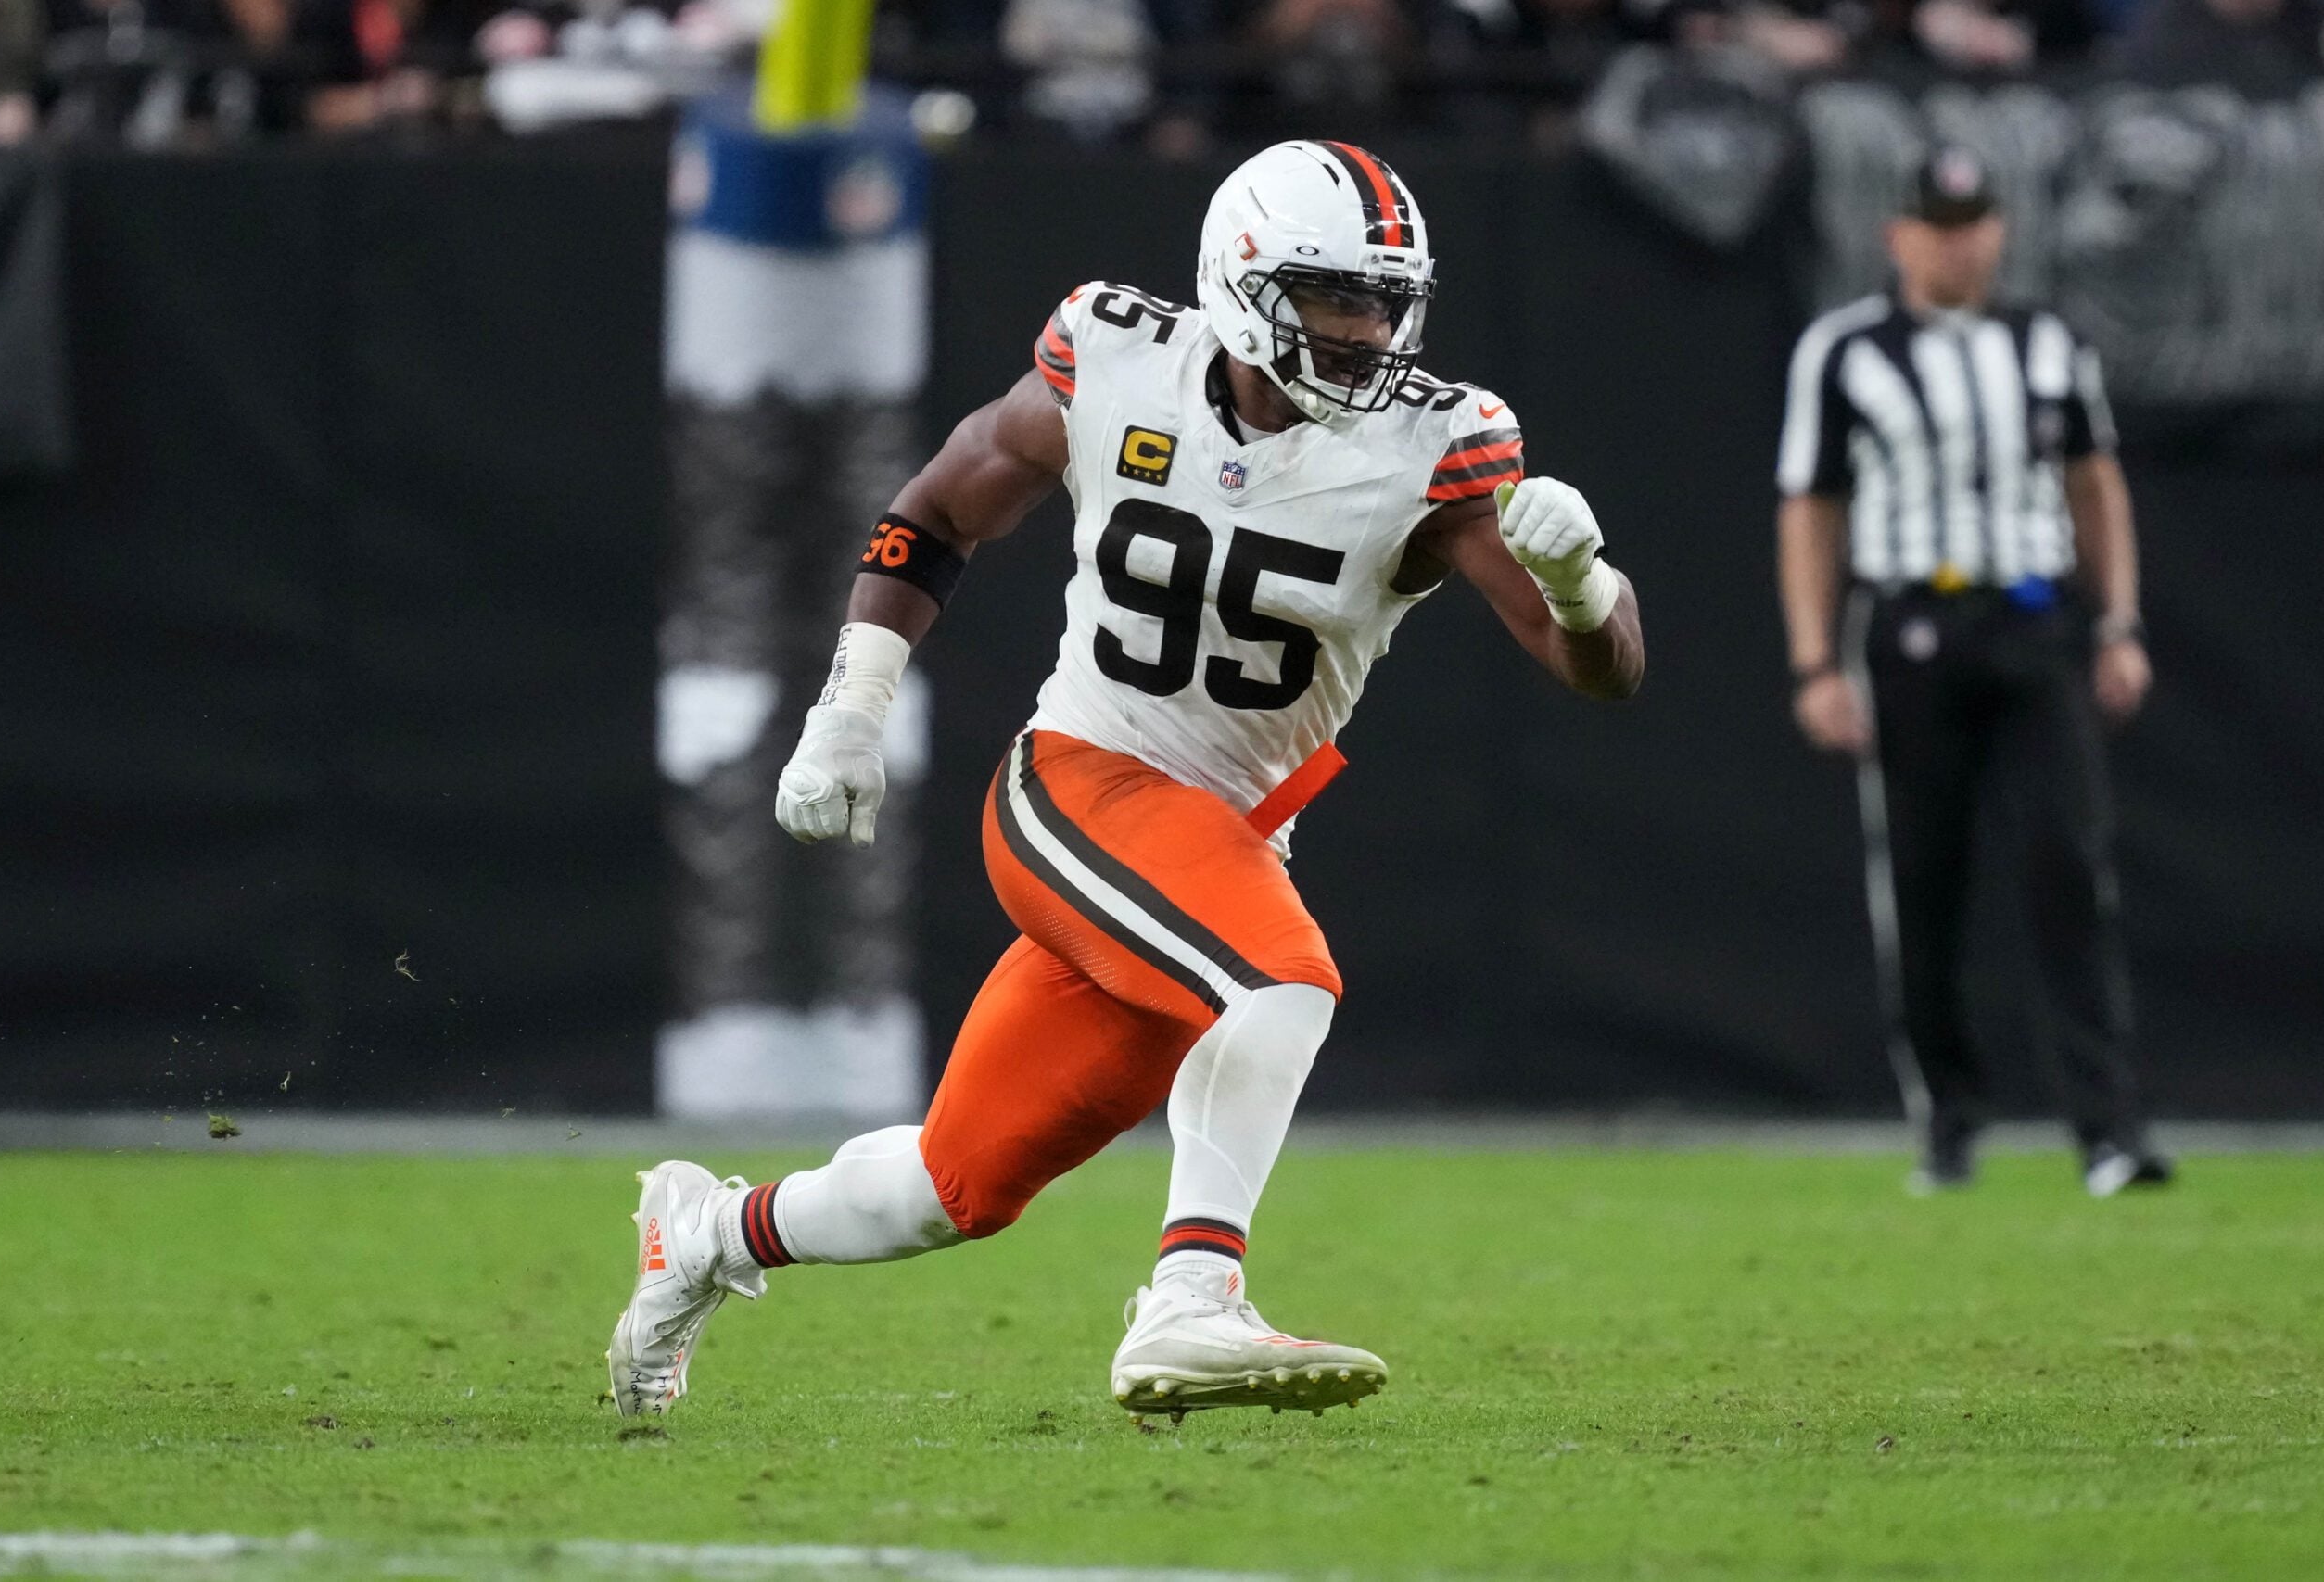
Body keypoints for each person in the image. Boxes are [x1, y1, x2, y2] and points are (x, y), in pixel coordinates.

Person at [609, 139, 1645, 1423]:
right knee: (1282, 979)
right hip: (1081, 780)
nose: (1366, 328)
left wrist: (1580, 583)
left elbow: (1596, 668)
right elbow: (935, 513)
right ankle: (1191, 1301)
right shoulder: (1114, 355)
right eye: (1334, 294)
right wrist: (848, 712)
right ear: (1241, 279)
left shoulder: (1438, 445)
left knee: (954, 1186)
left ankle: (705, 1230)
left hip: (1221, 844)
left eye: (1386, 299)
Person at [1776, 146, 2173, 1199]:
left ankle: (2107, 1131)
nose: (1959, 242)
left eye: (1975, 221)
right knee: (1923, 880)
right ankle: (1947, 1122)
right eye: (1939, 223)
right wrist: (1814, 658)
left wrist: (2119, 621)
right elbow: (1809, 507)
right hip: (1911, 626)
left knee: (2067, 867)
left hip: (2036, 621)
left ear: (1997, 228)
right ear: (1898, 233)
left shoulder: (2049, 342)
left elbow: (2096, 483)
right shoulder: (1844, 349)